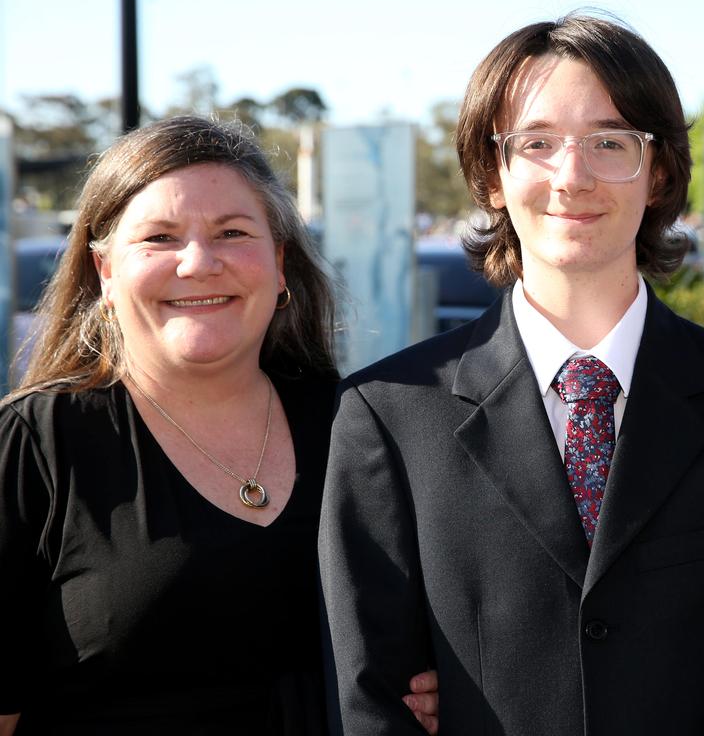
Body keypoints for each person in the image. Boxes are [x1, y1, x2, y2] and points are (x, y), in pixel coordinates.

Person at [320, 14, 704, 735]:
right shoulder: (390, 416)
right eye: (537, 144)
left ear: (658, 170)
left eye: (610, 143)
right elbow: (370, 700)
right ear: (492, 175)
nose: (572, 176)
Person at [0, 116, 437, 735]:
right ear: (104, 271)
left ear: (279, 262)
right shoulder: (34, 445)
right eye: (159, 238)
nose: (199, 263)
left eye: (232, 232)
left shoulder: (361, 429)